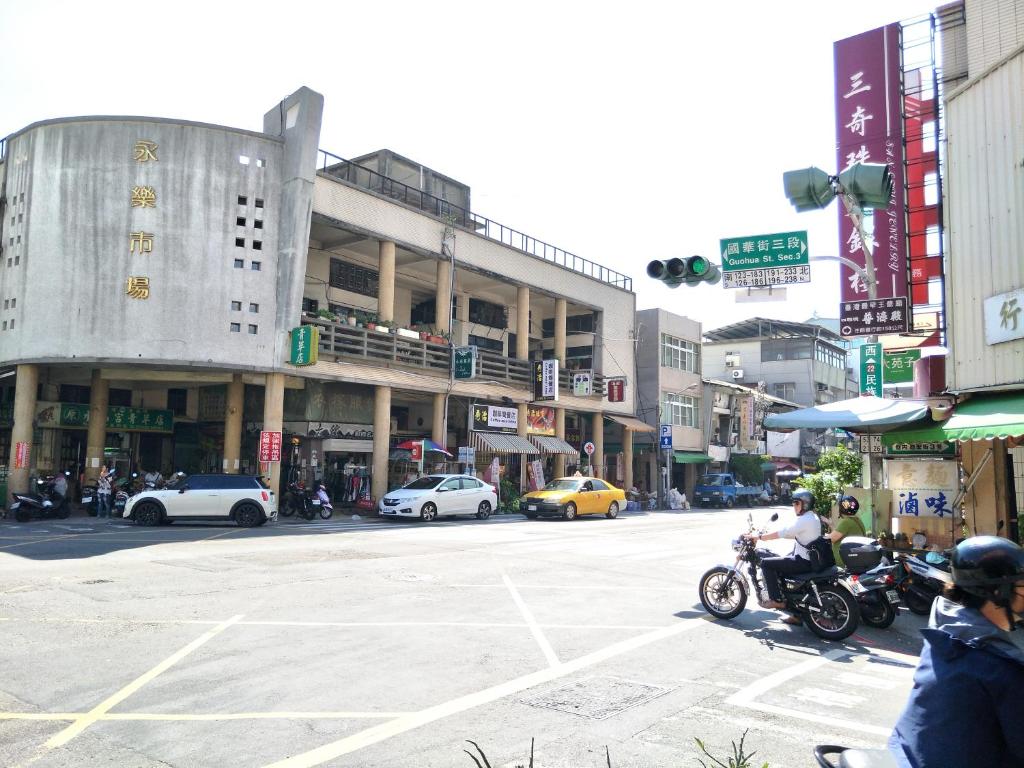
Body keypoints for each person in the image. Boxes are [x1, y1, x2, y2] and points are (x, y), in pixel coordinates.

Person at [889, 536, 1024, 767]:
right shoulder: (999, 669)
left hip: (903, 751)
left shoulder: (944, 633)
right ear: (997, 592)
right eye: (1022, 585)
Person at [744, 488, 822, 625]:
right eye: (793, 504)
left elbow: (783, 532)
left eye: (797, 503)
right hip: (806, 557)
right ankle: (797, 615)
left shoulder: (805, 520)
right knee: (779, 560)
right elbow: (791, 531)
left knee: (766, 563)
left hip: (802, 561)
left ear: (805, 504)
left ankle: (776, 600)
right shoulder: (811, 517)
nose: (794, 506)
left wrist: (759, 537)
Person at [828, 494, 867, 567]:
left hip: (843, 564)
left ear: (842, 509)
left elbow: (831, 539)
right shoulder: (857, 520)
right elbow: (839, 534)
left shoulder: (846, 522)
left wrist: (823, 537)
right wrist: (830, 524)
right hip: (854, 560)